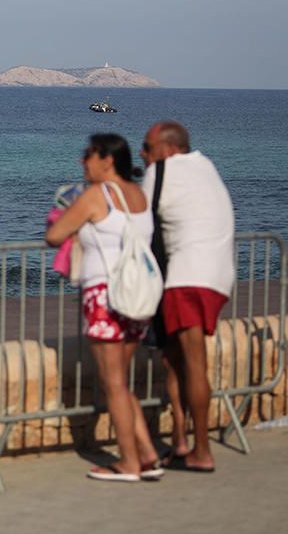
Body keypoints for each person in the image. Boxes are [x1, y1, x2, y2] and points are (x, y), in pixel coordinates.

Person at [46, 134, 163, 482]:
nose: (83, 161)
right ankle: (148, 455)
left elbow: (55, 235)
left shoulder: (97, 195)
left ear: (107, 160)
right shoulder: (138, 195)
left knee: (113, 385)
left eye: (89, 155)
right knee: (122, 384)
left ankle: (128, 463)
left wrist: (68, 215)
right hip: (136, 298)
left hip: (105, 297)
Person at [140, 121, 234, 473]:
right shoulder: (205, 166)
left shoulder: (160, 172)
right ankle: (180, 441)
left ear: (167, 149)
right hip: (217, 275)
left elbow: (139, 224)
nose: (142, 154)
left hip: (187, 277)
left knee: (194, 362)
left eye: (148, 147)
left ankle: (202, 451)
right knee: (174, 360)